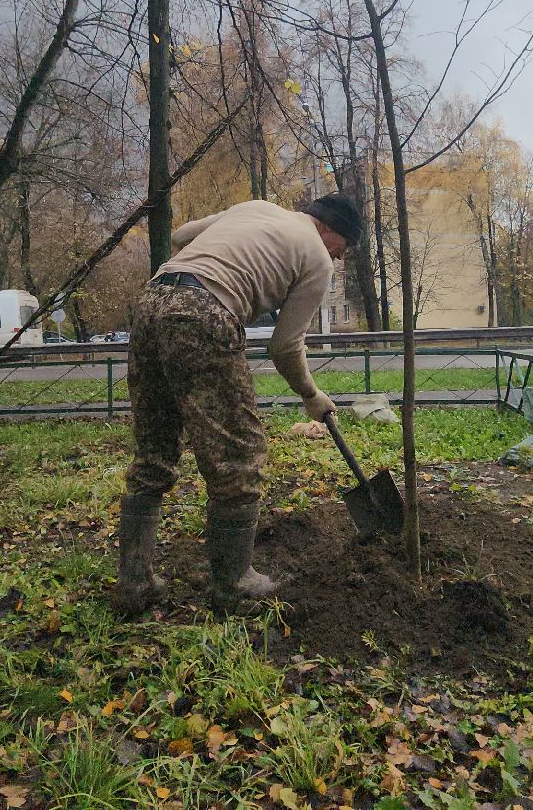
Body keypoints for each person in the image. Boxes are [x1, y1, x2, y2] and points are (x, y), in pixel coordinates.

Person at [115, 194, 363, 616]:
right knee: (239, 456)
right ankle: (234, 584)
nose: (338, 260)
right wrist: (310, 395)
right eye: (343, 249)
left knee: (154, 452)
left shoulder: (259, 208)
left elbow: (180, 235)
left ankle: (134, 583)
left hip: (153, 302)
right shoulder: (316, 257)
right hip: (204, 311)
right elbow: (285, 346)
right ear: (329, 230)